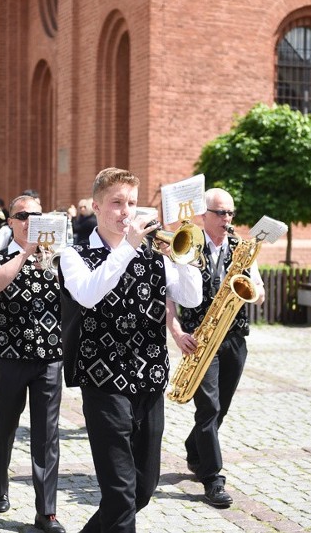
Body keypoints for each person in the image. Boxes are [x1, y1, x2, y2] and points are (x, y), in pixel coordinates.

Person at [60, 167, 202, 533]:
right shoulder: (74, 255)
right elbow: (90, 294)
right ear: (96, 206)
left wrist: (182, 258)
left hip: (150, 377)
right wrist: (127, 249)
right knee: (120, 493)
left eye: (132, 203)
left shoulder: (154, 253)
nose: (126, 212)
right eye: (117, 203)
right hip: (103, 381)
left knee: (142, 488)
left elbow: (192, 296)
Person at [164, 187, 265, 508]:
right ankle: (213, 478)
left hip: (234, 337)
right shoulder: (188, 245)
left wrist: (252, 289)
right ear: (203, 215)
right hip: (200, 337)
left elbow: (258, 290)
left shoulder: (242, 248)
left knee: (221, 405)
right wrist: (177, 333)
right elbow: (168, 294)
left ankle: (196, 448)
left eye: (230, 213)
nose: (227, 219)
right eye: (220, 213)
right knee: (208, 408)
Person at [0, 194, 65, 533]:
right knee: (3, 427)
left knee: (47, 434)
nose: (31, 220)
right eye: (23, 215)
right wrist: (27, 252)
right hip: (10, 357)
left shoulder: (59, 258)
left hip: (49, 358)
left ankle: (46, 511)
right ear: (11, 222)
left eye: (37, 214)